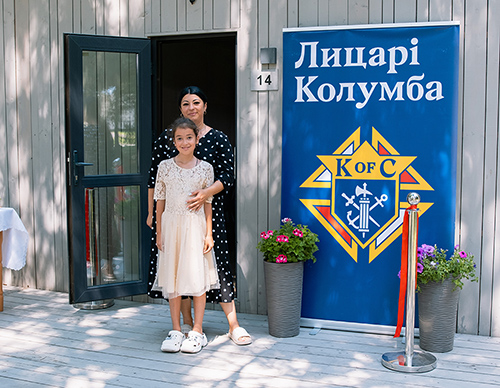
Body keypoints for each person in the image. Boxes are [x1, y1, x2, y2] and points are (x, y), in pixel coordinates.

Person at [147, 86, 252, 346]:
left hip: (209, 214)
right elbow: (154, 179)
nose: (191, 107)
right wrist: (151, 213)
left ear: (205, 106)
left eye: (196, 102)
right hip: (173, 217)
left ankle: (233, 324)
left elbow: (228, 176)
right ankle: (187, 327)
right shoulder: (167, 138)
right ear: (180, 108)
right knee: (180, 267)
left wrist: (206, 193)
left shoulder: (218, 138)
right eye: (185, 103)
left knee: (216, 266)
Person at [153, 117, 219, 353]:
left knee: (197, 277)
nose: (184, 142)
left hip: (195, 226)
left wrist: (209, 233)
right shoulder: (165, 167)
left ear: (196, 139)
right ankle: (176, 330)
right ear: (173, 141)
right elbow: (159, 201)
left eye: (188, 137)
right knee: (173, 279)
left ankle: (197, 330)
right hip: (171, 227)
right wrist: (159, 232)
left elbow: (208, 202)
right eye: (179, 138)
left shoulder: (205, 168)